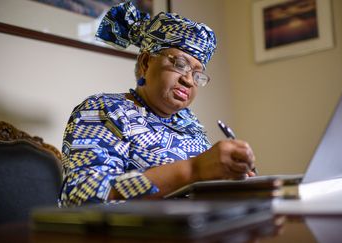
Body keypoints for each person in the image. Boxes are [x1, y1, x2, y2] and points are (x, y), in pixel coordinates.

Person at [59, 0, 256, 207]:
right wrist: (192, 170)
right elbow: (80, 195)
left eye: (198, 74)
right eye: (180, 64)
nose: (188, 80)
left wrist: (231, 182)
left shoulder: (189, 122)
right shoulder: (104, 110)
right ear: (145, 62)